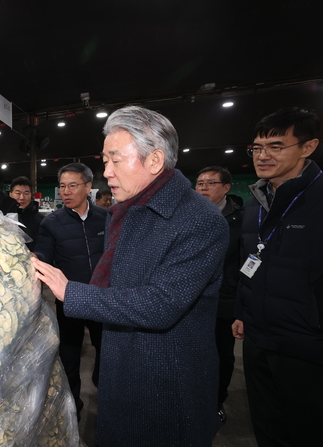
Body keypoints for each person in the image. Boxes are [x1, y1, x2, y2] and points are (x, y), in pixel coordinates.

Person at [33, 105, 227, 447]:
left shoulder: (199, 221)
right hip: (122, 367)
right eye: (104, 161)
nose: (106, 172)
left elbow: (161, 304)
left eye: (115, 160)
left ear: (153, 161)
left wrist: (71, 292)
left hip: (167, 380)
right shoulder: (125, 212)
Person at [232, 107, 323, 447]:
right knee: (267, 427)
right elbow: (249, 259)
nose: (263, 156)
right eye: (257, 147)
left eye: (276, 146)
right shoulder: (257, 201)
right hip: (258, 337)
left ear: (308, 147)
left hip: (306, 346)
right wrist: (243, 310)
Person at [34, 163, 106, 419]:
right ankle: (72, 405)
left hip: (101, 299)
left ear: (88, 187)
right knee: (70, 357)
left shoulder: (105, 218)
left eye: (73, 185)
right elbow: (45, 252)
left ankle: (105, 392)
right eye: (62, 186)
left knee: (107, 351)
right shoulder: (51, 223)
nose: (66, 191)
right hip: (70, 299)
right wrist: (35, 258)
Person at [195, 166, 243, 423]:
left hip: (223, 302)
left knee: (221, 355)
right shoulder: (187, 216)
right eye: (200, 183)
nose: (203, 187)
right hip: (191, 301)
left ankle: (216, 402)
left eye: (211, 183)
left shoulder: (239, 220)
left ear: (226, 188)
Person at [9, 176, 43, 250]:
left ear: (31, 195)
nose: (22, 197)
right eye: (18, 193)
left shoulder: (41, 220)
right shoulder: (3, 217)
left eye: (26, 193)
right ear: (10, 194)